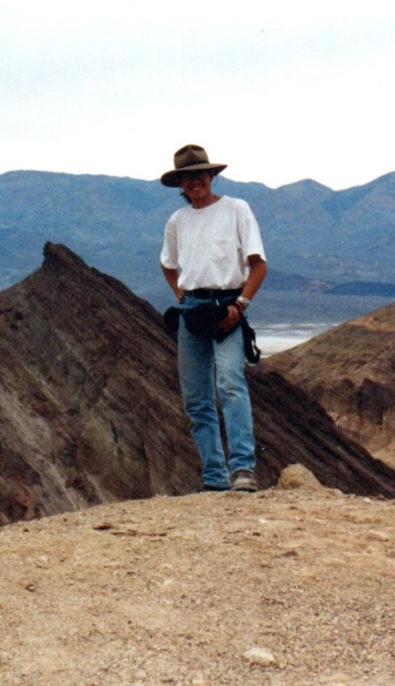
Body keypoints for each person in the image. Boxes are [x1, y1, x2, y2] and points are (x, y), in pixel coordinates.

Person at [159, 144, 268, 492]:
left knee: (231, 384)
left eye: (200, 175)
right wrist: (181, 293)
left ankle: (242, 470)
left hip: (227, 306)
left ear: (211, 176)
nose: (195, 182)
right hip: (193, 309)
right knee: (196, 398)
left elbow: (258, 264)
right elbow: (167, 263)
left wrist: (241, 304)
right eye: (188, 177)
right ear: (180, 183)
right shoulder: (178, 222)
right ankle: (215, 477)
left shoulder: (237, 210)